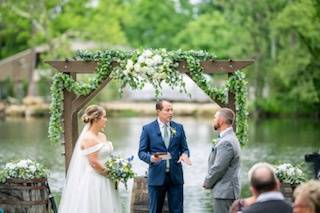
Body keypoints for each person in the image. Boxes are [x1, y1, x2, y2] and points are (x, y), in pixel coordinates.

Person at [58, 105, 121, 213]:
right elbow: (94, 163)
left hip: (106, 178)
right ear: (96, 119)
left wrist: (116, 170)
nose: (106, 119)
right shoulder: (88, 138)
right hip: (95, 180)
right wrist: (111, 174)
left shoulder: (102, 136)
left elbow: (106, 157)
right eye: (104, 117)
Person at [138, 100, 192, 213]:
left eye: (172, 109)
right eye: (167, 110)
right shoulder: (147, 129)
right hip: (156, 177)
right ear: (158, 111)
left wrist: (184, 155)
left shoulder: (179, 128)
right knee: (155, 210)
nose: (171, 112)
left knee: (177, 210)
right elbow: (141, 152)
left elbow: (185, 148)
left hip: (175, 177)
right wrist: (151, 158)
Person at [202, 108, 241, 213]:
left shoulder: (226, 142)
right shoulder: (229, 138)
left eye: (215, 118)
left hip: (224, 192)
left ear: (221, 121)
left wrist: (207, 182)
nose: (213, 120)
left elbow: (219, 167)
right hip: (226, 191)